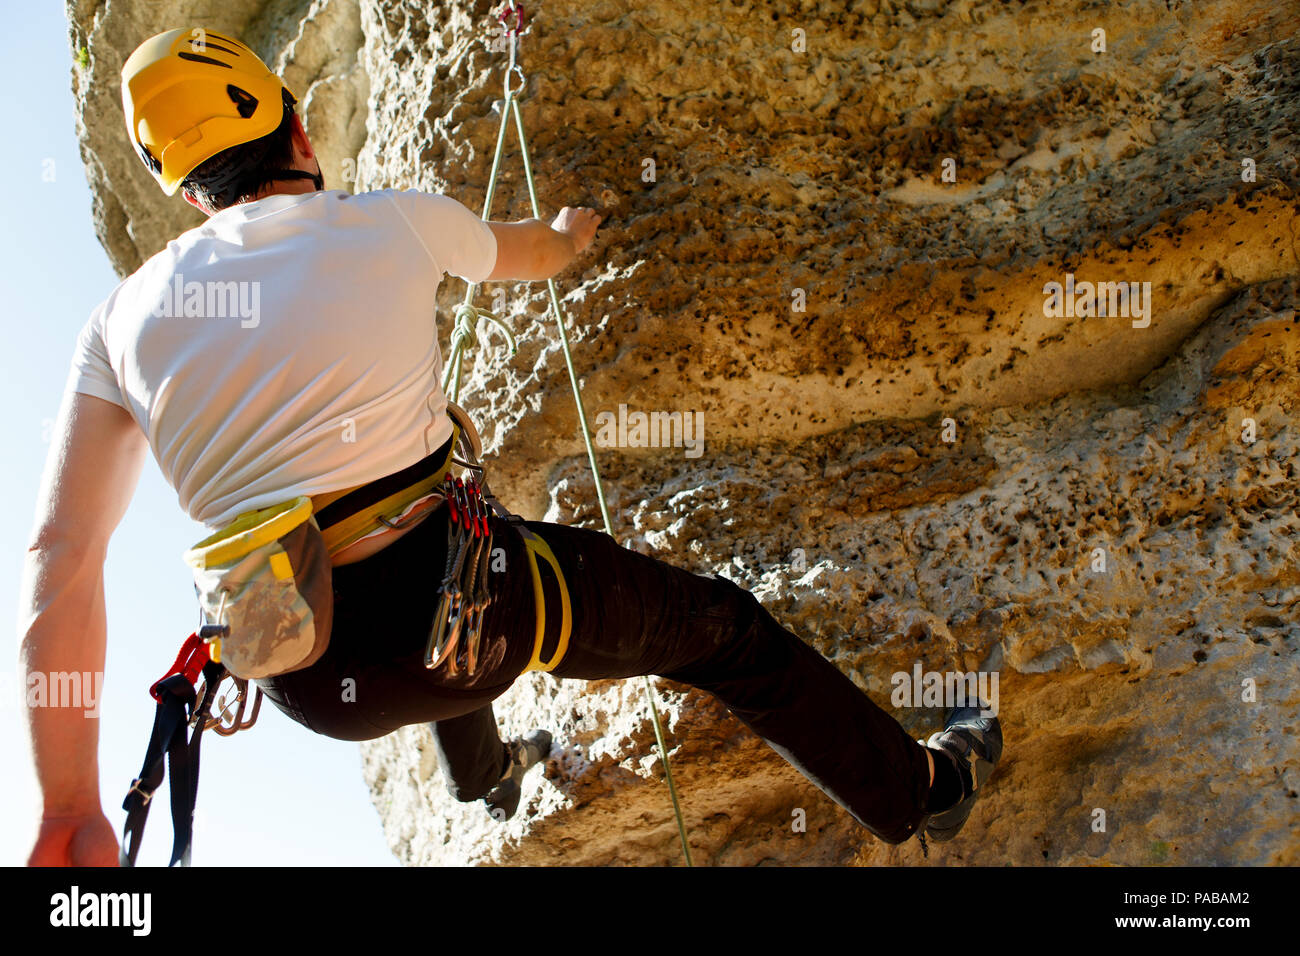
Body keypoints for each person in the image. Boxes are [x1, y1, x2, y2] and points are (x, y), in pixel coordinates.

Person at [21, 28, 1001, 866]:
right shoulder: (392, 219)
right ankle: (921, 787)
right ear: (298, 129)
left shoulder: (115, 324)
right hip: (466, 622)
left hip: (306, 672)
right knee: (717, 632)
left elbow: (61, 559)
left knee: (435, 583)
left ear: (191, 194)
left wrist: (67, 806)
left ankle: (487, 776)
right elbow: (532, 251)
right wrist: (570, 231)